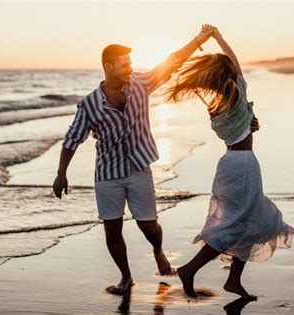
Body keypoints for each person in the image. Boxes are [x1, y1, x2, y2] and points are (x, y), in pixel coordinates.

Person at [52, 25, 215, 295]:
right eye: (124, 64)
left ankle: (158, 250)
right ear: (108, 67)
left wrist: (198, 40)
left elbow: (171, 62)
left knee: (148, 225)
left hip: (139, 166)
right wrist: (61, 173)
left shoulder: (141, 83)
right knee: (112, 230)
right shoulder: (90, 105)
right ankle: (126, 278)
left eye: (130, 63)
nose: (130, 68)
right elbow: (72, 140)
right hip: (107, 174)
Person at [165, 25, 294, 299]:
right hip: (244, 166)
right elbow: (234, 60)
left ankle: (233, 280)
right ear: (229, 75)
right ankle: (190, 269)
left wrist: (251, 123)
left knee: (250, 220)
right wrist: (219, 38)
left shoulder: (218, 106)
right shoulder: (236, 94)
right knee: (240, 223)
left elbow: (240, 129)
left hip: (230, 163)